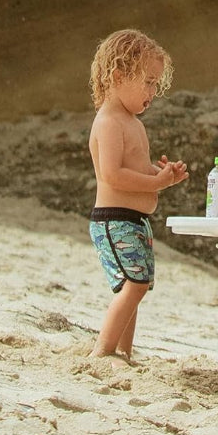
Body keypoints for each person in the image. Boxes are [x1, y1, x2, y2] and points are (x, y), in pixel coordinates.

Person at [87, 29, 189, 362]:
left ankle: (123, 353)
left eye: (156, 85)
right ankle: (103, 351)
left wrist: (162, 176)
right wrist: (155, 183)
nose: (153, 92)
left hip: (134, 220)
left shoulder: (134, 124)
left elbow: (139, 169)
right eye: (147, 82)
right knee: (133, 285)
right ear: (117, 76)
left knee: (137, 285)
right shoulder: (109, 123)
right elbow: (112, 175)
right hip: (114, 221)